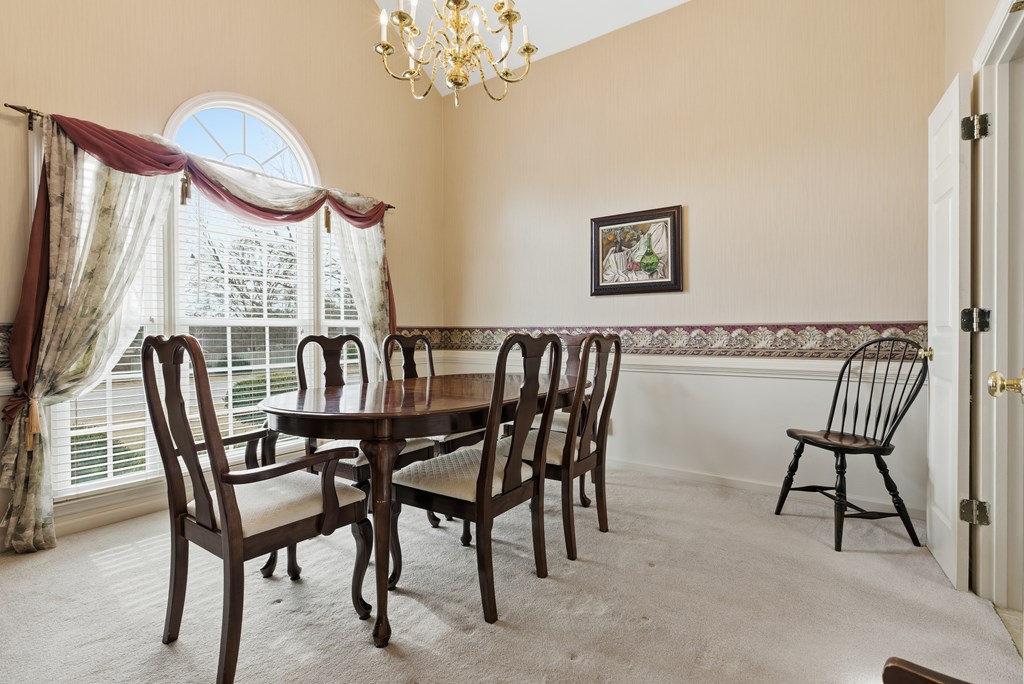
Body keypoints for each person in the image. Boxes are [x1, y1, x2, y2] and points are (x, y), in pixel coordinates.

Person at [601, 221, 668, 283]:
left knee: (658, 229)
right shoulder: (635, 260)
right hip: (641, 256)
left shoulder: (634, 255)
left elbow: (641, 247)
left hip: (641, 253)